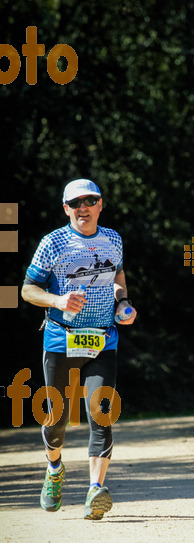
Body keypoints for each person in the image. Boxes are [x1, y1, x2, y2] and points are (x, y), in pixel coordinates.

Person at [21, 178, 137, 520]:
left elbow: (118, 275)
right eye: (75, 203)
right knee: (56, 419)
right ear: (66, 208)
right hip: (61, 338)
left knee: (101, 414)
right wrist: (58, 299)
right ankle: (55, 468)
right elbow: (28, 289)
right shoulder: (53, 243)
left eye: (90, 200)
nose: (83, 207)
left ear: (101, 204)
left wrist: (123, 303)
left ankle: (94, 490)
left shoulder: (113, 239)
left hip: (103, 339)